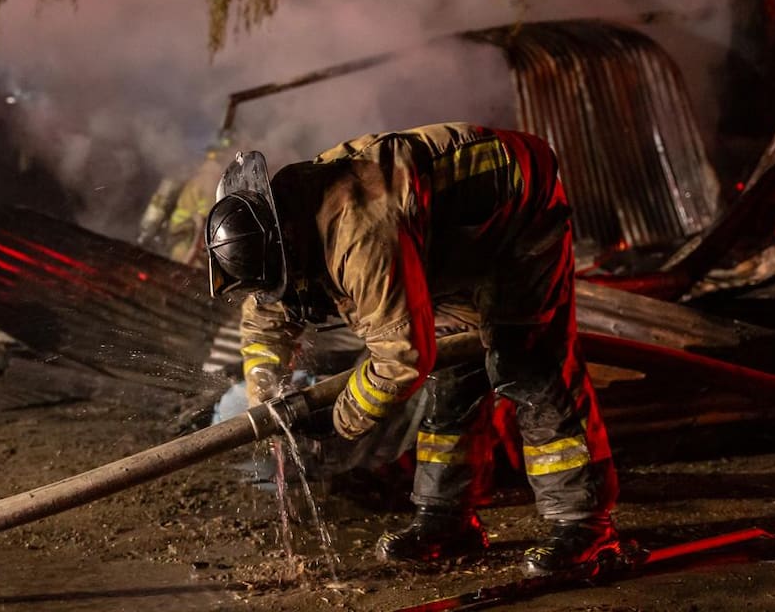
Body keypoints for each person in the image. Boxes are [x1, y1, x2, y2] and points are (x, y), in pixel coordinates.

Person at [204, 122, 619, 577]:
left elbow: (402, 358)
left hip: (516, 215)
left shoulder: (359, 235)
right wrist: (266, 391)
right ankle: (446, 520)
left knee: (525, 365)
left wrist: (338, 419)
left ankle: (583, 525)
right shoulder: (277, 219)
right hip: (448, 241)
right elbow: (264, 316)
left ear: (284, 243)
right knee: (453, 376)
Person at [166, 131, 235, 265]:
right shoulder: (211, 179)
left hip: (181, 239)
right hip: (190, 243)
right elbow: (205, 221)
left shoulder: (201, 175)